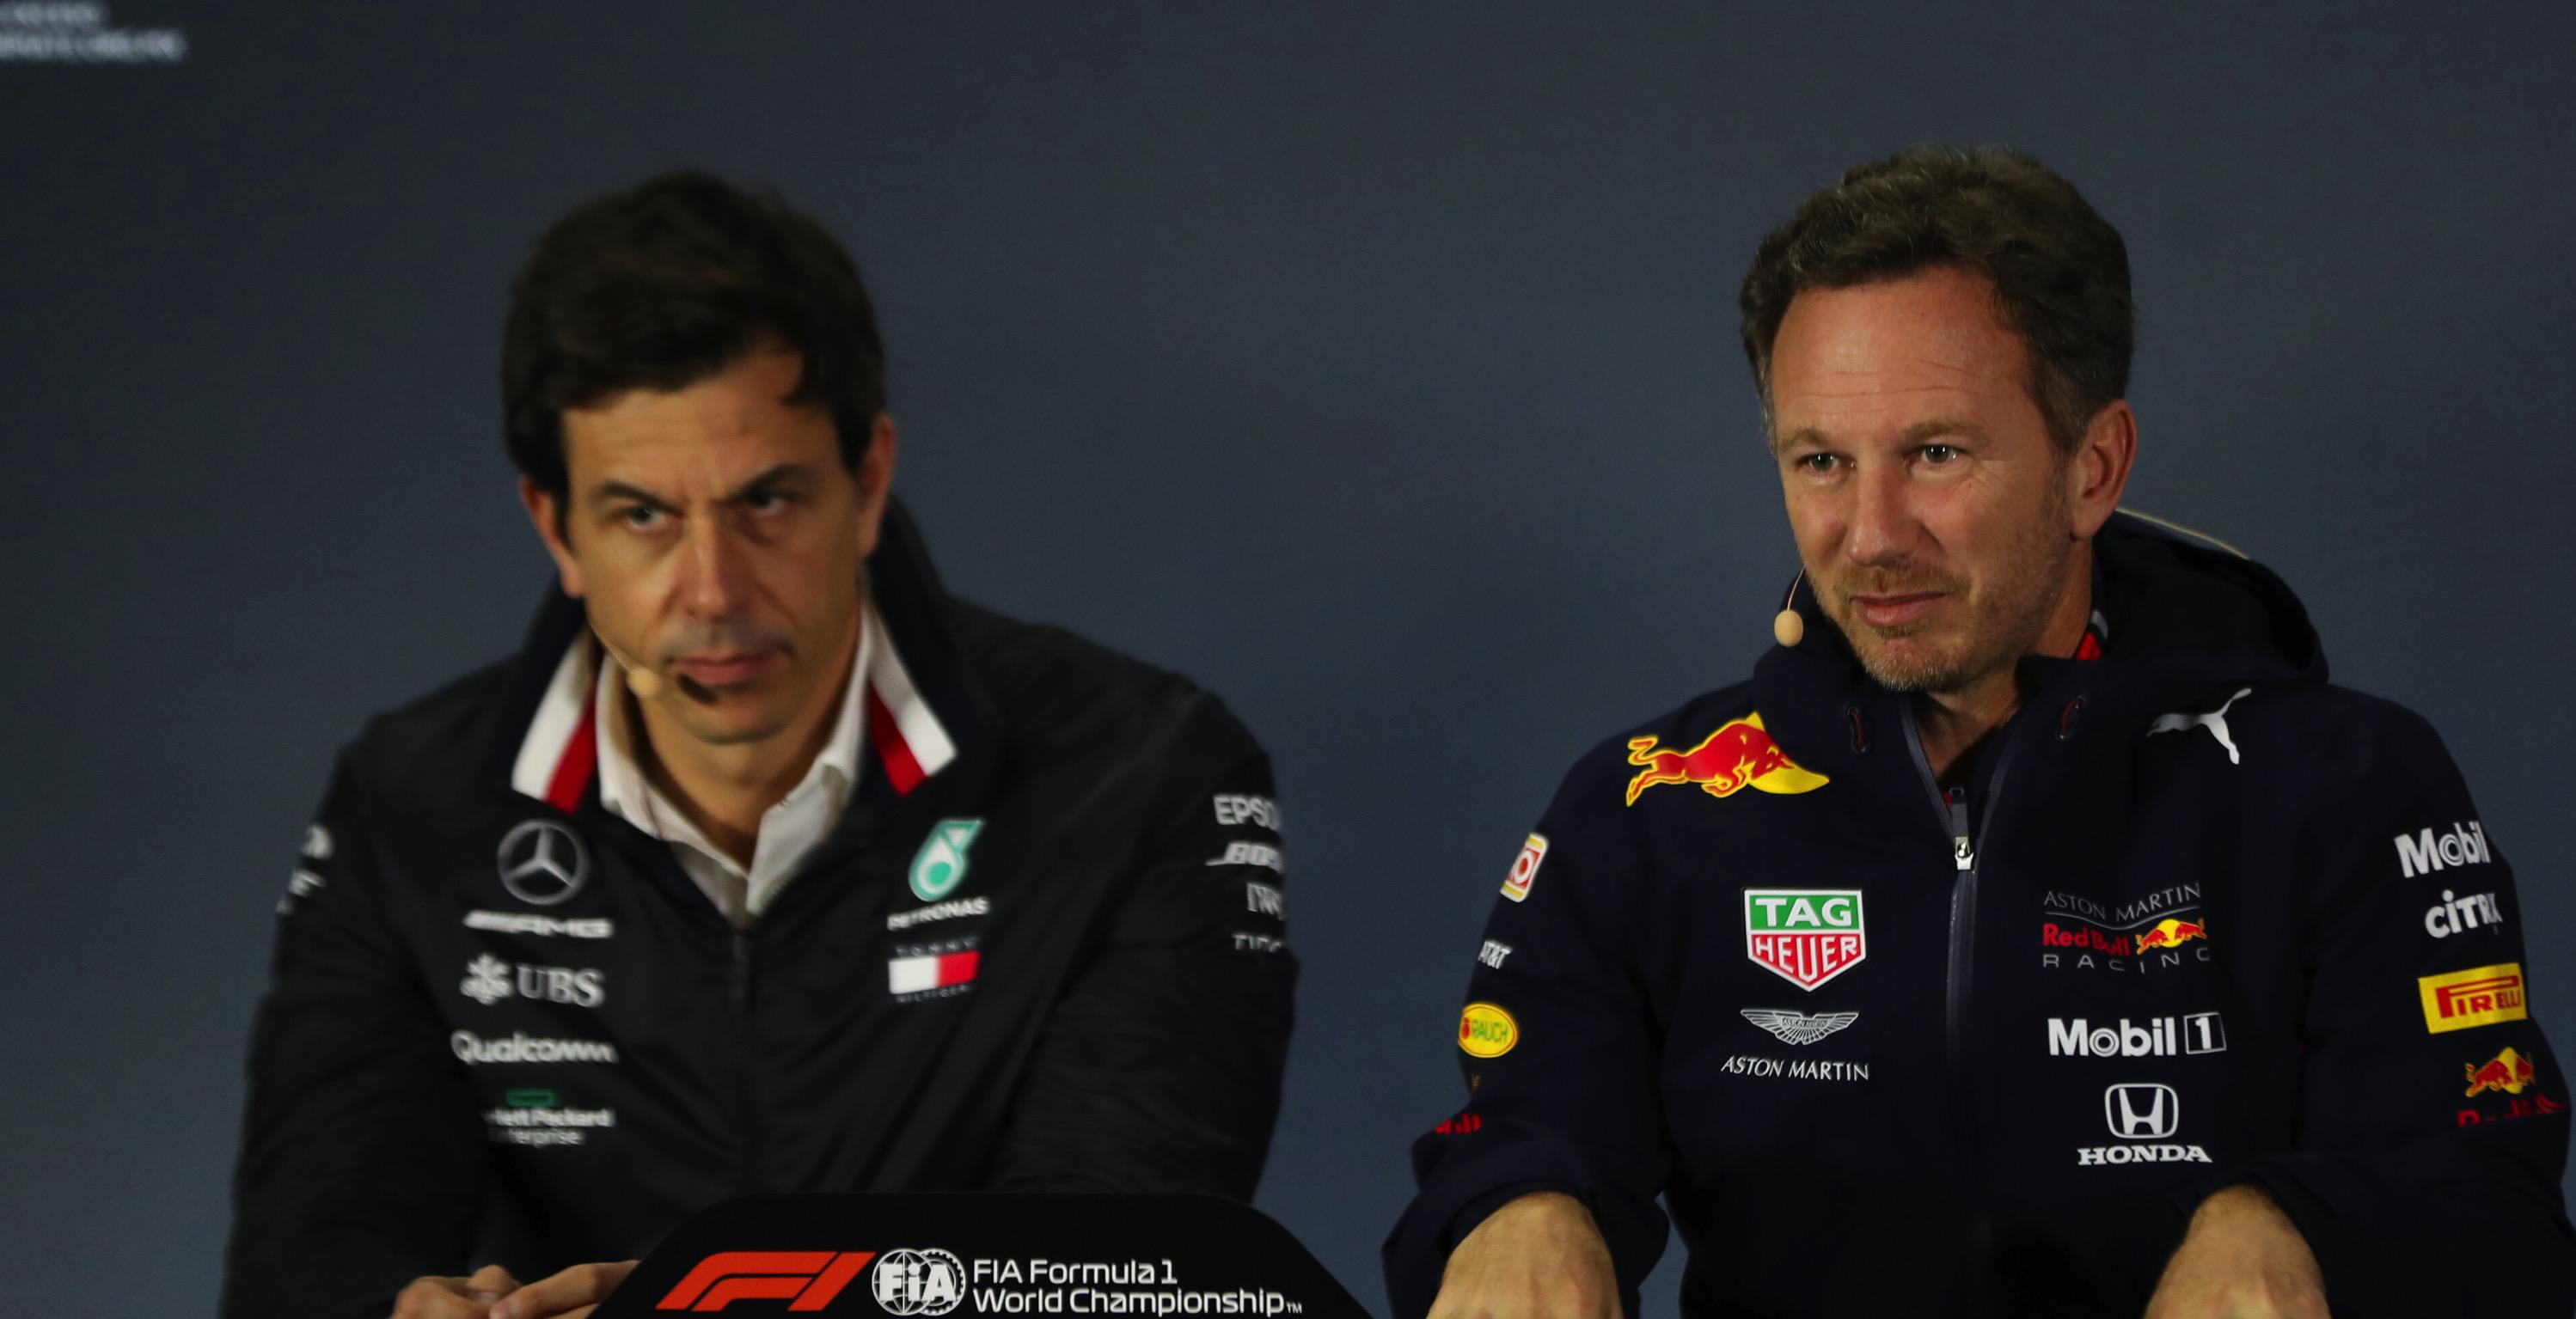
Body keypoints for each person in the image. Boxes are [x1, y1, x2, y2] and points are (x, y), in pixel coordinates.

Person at [1384, 144, 2574, 1317]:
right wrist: (1521, 1208)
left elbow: (2492, 1221)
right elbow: (1527, 1122)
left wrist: (2291, 1227)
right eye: (1821, 462)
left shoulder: (2345, 787)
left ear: (2093, 467)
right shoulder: (1650, 805)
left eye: (1936, 454)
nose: (1870, 534)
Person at [223, 173, 1297, 1319]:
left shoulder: (1147, 776)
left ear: (867, 481)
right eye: (643, 514)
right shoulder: (406, 810)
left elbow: (1122, 1277)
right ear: (556, 527)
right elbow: (313, 1263)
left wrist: (717, 1309)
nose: (713, 592)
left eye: (766, 503)